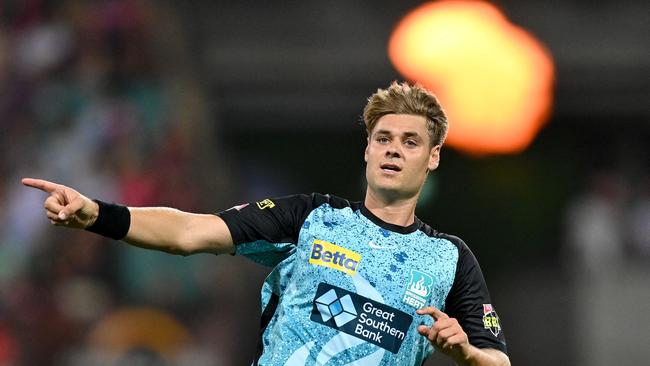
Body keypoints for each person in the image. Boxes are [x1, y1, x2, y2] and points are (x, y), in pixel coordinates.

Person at [23, 82, 510, 365]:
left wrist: (467, 353)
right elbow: (190, 232)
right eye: (383, 137)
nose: (393, 149)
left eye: (409, 141)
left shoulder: (449, 258)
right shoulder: (311, 217)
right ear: (366, 149)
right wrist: (95, 214)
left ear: (433, 158)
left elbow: (497, 360)